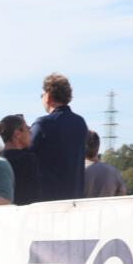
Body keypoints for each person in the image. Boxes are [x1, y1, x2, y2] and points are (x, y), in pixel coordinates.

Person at [29, 73, 89, 201]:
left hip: (48, 200)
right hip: (75, 199)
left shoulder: (43, 124)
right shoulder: (80, 123)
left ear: (48, 96)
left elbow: (25, 153)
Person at [0, 114, 41, 206]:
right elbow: (34, 194)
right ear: (17, 133)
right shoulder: (28, 159)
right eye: (27, 129)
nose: (31, 133)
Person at [84, 130, 127, 197]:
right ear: (98, 147)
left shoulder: (76, 172)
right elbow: (122, 194)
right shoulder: (113, 172)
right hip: (108, 207)